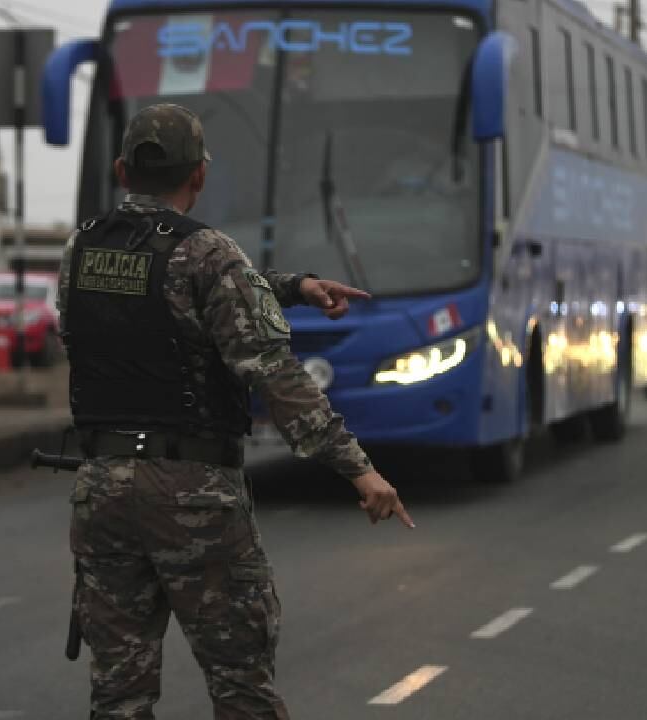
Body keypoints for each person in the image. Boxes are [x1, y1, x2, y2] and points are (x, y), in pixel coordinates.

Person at [57, 103, 413, 719]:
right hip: (192, 495)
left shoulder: (81, 247)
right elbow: (276, 375)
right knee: (241, 686)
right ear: (199, 175)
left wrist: (293, 286)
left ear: (121, 171)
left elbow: (166, 291)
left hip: (101, 491)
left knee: (117, 694)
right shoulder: (207, 252)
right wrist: (361, 471)